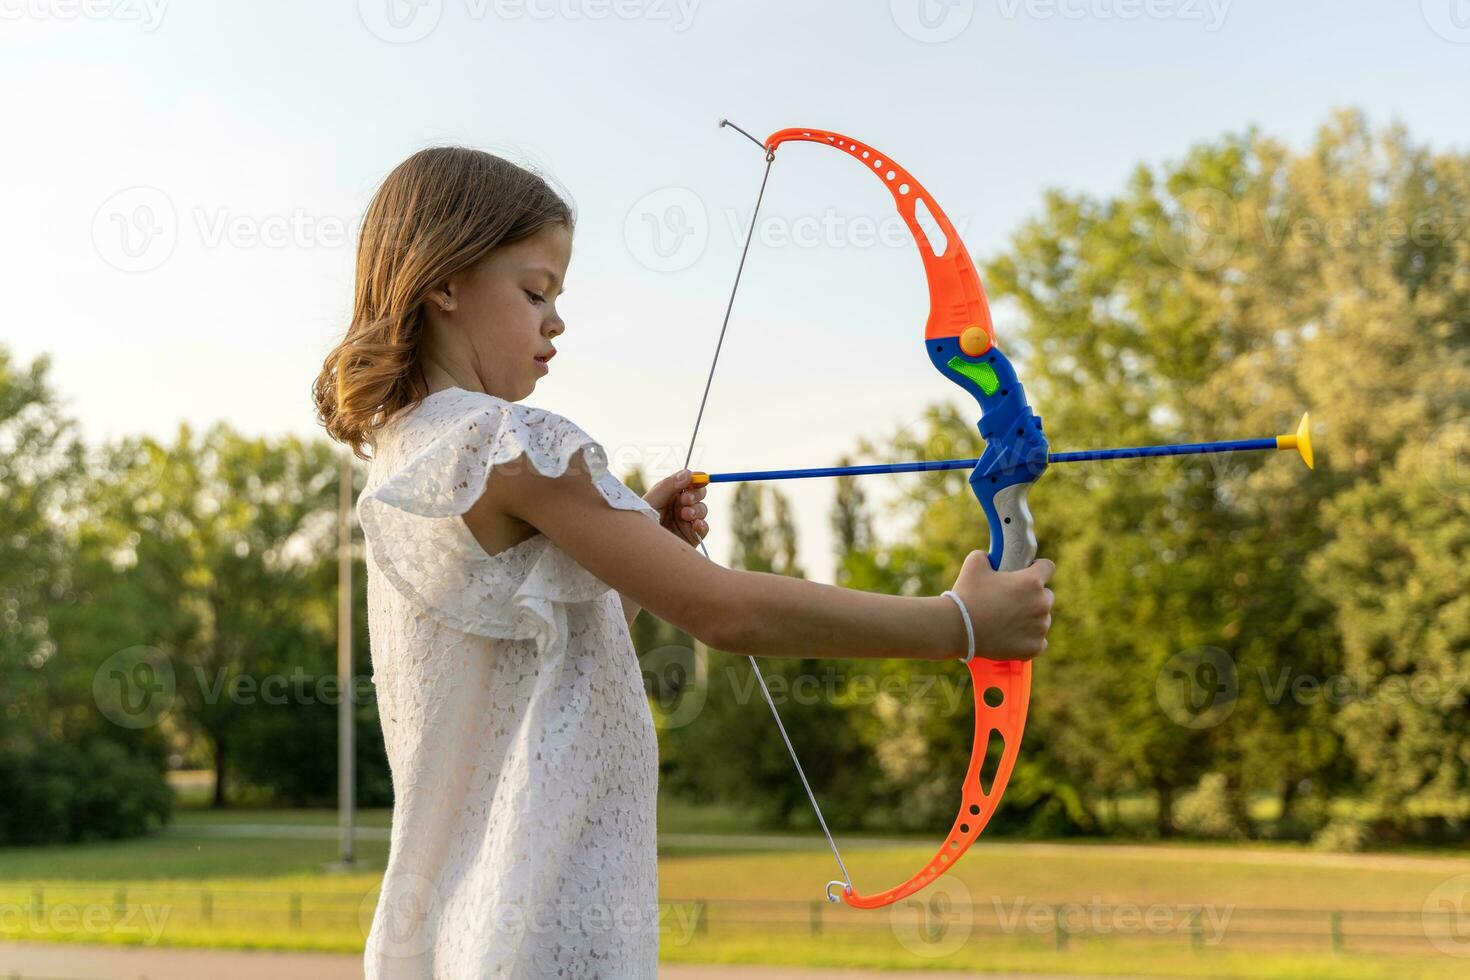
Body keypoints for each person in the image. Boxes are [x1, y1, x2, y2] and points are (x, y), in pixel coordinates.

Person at [312, 146, 1055, 979]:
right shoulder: (514, 442)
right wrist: (962, 625)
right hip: (550, 931)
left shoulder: (409, 459)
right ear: (443, 283)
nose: (556, 321)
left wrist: (644, 559)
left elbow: (544, 663)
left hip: (447, 939)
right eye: (535, 292)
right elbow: (726, 612)